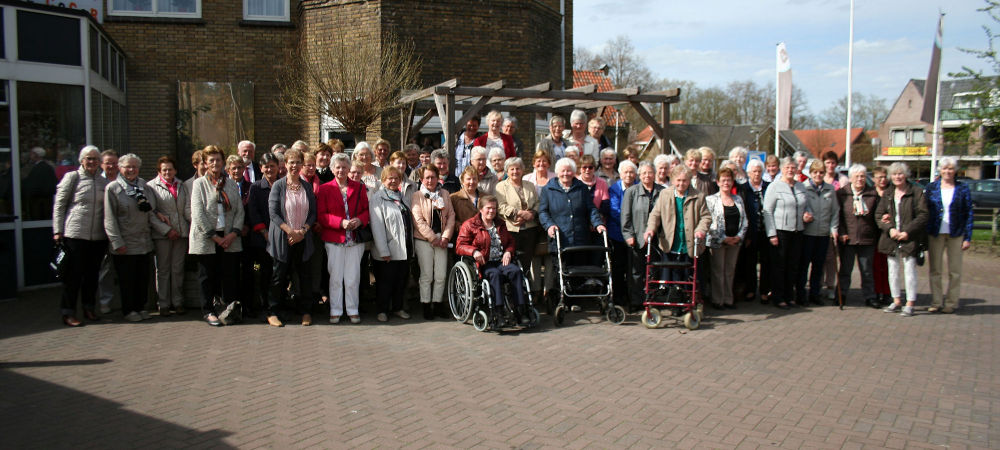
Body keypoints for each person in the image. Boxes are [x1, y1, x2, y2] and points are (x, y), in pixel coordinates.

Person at [539, 158, 608, 310]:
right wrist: (549, 225)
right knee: (561, 271)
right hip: (560, 239)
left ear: (573, 172)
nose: (566, 173)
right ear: (557, 172)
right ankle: (560, 301)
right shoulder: (548, 190)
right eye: (563, 171)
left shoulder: (581, 188)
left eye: (569, 170)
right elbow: (543, 212)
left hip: (579, 238)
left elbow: (590, 209)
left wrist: (598, 224)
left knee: (577, 271)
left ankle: (575, 301)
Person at [53, 146, 108, 326]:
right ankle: (68, 312)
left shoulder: (102, 182)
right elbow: (59, 204)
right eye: (88, 158)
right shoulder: (72, 178)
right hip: (75, 234)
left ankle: (89, 308)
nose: (92, 162)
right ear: (81, 160)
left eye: (95, 159)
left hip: (98, 237)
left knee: (92, 275)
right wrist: (57, 231)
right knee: (73, 276)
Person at [189, 145, 244, 327]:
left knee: (228, 276)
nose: (215, 163)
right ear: (205, 163)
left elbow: (239, 211)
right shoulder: (199, 184)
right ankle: (209, 311)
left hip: (229, 237)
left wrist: (232, 234)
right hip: (208, 238)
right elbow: (198, 214)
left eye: (218, 160)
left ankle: (228, 310)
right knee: (207, 277)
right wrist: (215, 237)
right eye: (211, 160)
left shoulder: (230, 183)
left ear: (223, 162)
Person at [455, 195, 528, 323]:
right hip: (484, 263)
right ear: (481, 209)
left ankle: (520, 310)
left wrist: (508, 252)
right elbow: (460, 246)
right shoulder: (470, 224)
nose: (491, 211)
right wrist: (474, 251)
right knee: (495, 275)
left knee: (516, 271)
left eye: (494, 208)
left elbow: (511, 241)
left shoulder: (500, 223)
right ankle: (498, 312)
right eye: (488, 208)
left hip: (501, 260)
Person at [265, 149, 317, 327]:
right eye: (291, 162)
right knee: (279, 276)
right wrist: (290, 231)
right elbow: (273, 213)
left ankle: (306, 312)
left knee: (304, 277)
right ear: (285, 164)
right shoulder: (278, 186)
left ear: (302, 164)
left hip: (303, 238)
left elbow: (313, 213)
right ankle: (273, 312)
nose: (294, 166)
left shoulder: (307, 186)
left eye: (298, 162)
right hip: (283, 238)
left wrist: (302, 231)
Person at [317, 153, 369, 324]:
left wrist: (360, 220)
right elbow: (322, 216)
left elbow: (366, 210)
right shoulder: (325, 189)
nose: (341, 170)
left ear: (349, 169)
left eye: (344, 167)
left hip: (354, 239)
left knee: (353, 277)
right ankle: (336, 310)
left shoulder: (359, 187)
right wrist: (341, 222)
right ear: (332, 169)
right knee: (336, 278)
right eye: (337, 167)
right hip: (334, 239)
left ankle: (353, 309)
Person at [104, 153, 156, 322]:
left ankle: (140, 307)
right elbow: (109, 219)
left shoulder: (143, 186)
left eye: (134, 167)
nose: (131, 170)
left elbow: (150, 212)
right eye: (128, 166)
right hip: (125, 243)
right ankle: (129, 310)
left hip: (143, 241)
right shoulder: (113, 189)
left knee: (142, 278)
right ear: (120, 168)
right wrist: (117, 242)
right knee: (127, 279)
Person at [875, 162, 928, 317]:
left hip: (909, 238)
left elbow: (923, 215)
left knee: (910, 270)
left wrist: (907, 232)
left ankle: (910, 302)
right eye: (894, 174)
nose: (897, 177)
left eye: (900, 174)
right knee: (893, 270)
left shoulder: (916, 192)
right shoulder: (888, 193)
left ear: (906, 175)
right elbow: (878, 215)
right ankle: (896, 300)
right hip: (891, 238)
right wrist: (889, 229)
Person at [642, 165, 711, 282]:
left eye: (684, 180)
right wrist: (650, 229)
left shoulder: (699, 196)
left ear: (689, 181)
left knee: (687, 277)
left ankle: (687, 296)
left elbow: (706, 217)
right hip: (669, 242)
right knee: (669, 276)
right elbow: (655, 214)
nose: (681, 183)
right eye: (678, 180)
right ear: (673, 180)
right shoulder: (664, 194)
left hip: (689, 242)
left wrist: (700, 230)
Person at [924, 156, 973, 314]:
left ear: (955, 171)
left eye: (951, 168)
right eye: (945, 168)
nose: (947, 171)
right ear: (940, 170)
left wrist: (967, 237)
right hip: (935, 233)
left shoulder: (962, 188)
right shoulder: (932, 188)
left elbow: (968, 213)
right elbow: (925, 211)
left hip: (956, 233)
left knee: (955, 271)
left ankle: (951, 302)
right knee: (935, 270)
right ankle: (936, 301)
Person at [411, 166, 456, 319]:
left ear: (438, 178)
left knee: (441, 275)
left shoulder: (444, 194)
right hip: (424, 240)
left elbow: (450, 216)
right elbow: (418, 220)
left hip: (442, 240)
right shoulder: (417, 195)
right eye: (427, 177)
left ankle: (437, 304)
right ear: (422, 179)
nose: (430, 180)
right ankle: (425, 305)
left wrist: (445, 237)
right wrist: (433, 237)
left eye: (433, 177)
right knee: (427, 275)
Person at [369, 166, 414, 322]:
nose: (393, 181)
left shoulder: (402, 197)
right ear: (383, 180)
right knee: (385, 282)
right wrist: (384, 250)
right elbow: (377, 226)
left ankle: (398, 308)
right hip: (387, 249)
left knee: (400, 281)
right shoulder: (378, 198)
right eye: (390, 178)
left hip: (404, 248)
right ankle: (382, 310)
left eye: (396, 178)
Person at [148, 156, 191, 317]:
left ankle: (178, 302)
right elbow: (151, 213)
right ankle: (164, 304)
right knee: (163, 270)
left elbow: (186, 207)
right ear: (159, 171)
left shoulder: (181, 185)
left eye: (170, 169)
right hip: (163, 235)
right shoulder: (151, 187)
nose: (167, 172)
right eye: (164, 169)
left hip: (181, 234)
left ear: (175, 170)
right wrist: (166, 230)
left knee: (178, 269)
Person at [763, 156, 807, 310]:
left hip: (797, 231)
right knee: (779, 266)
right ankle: (778, 297)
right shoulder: (775, 186)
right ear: (782, 169)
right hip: (780, 232)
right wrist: (772, 234)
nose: (790, 170)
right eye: (787, 167)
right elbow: (767, 211)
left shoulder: (801, 187)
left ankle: (790, 296)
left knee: (793, 265)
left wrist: (807, 214)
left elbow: (805, 206)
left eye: (793, 167)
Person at [495, 157, 541, 297]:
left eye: (518, 168)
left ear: (523, 170)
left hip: (530, 229)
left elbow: (538, 203)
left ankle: (526, 291)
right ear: (507, 171)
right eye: (512, 169)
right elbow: (500, 206)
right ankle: (512, 291)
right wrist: (518, 213)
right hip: (511, 230)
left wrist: (531, 214)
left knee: (527, 262)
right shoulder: (501, 186)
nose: (515, 171)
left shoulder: (530, 185)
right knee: (512, 261)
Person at [836, 164, 879, 308]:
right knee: (845, 270)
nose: (860, 179)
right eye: (857, 176)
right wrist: (842, 232)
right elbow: (838, 216)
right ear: (850, 178)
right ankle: (841, 295)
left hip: (867, 238)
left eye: (862, 176)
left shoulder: (873, 194)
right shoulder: (842, 194)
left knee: (867, 270)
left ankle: (870, 296)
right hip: (848, 238)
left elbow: (877, 215)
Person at [798, 160, 840, 306]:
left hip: (823, 234)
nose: (818, 175)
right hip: (807, 233)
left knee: (818, 266)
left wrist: (833, 229)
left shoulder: (830, 190)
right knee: (804, 266)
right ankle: (801, 294)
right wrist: (803, 216)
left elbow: (835, 212)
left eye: (821, 172)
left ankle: (815, 293)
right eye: (815, 172)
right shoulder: (803, 188)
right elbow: (798, 208)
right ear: (810, 173)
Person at [622, 162, 663, 311]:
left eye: (650, 172)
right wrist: (628, 235)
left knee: (654, 270)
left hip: (657, 240)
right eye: (644, 173)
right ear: (639, 175)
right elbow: (625, 216)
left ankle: (652, 299)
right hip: (637, 239)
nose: (647, 176)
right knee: (636, 272)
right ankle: (635, 301)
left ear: (655, 174)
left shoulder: (662, 191)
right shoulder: (631, 192)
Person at [705, 168, 747, 309]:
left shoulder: (738, 199)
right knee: (718, 272)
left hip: (735, 242)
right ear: (717, 182)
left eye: (729, 180)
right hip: (718, 242)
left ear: (733, 182)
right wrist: (723, 238)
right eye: (723, 180)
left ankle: (729, 299)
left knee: (730, 271)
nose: (726, 183)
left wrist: (739, 236)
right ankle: (718, 300)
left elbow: (745, 221)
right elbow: (708, 222)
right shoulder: (711, 200)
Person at [246, 153, 280, 318]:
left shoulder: (283, 185)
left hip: (280, 238)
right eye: (266, 166)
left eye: (272, 165)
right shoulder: (256, 187)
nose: (269, 169)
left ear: (278, 167)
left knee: (277, 274)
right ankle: (262, 304)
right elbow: (253, 212)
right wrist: (265, 233)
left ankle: (276, 305)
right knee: (259, 271)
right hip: (260, 241)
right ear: (261, 168)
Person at [737, 158, 770, 303]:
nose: (757, 174)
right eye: (754, 171)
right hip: (750, 231)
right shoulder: (743, 189)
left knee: (766, 261)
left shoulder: (769, 187)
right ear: (748, 173)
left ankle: (764, 291)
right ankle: (750, 290)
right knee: (749, 262)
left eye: (759, 171)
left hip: (766, 230)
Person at [607, 160, 637, 309]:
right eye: (626, 172)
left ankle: (634, 298)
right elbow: (614, 211)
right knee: (618, 268)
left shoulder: (639, 187)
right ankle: (618, 297)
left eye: (631, 172)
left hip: (637, 235)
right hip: (617, 234)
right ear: (620, 173)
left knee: (634, 269)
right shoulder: (614, 189)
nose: (629, 175)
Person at [96, 149, 120, 314]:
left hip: (124, 233)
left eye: (114, 163)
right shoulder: (96, 182)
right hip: (101, 233)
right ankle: (105, 302)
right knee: (105, 270)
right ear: (101, 164)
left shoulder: (124, 181)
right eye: (107, 163)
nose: (111, 166)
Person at [870, 166, 892, 307]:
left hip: (889, 234)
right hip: (873, 234)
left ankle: (888, 292)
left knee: (888, 265)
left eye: (884, 177)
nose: (882, 180)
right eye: (879, 177)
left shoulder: (891, 193)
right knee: (875, 265)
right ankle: (877, 291)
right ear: (874, 179)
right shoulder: (870, 193)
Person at [21, 146, 56, 220]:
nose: (30, 156)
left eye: (32, 154)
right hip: (40, 199)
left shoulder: (42, 167)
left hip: (40, 200)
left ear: (37, 155)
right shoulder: (42, 167)